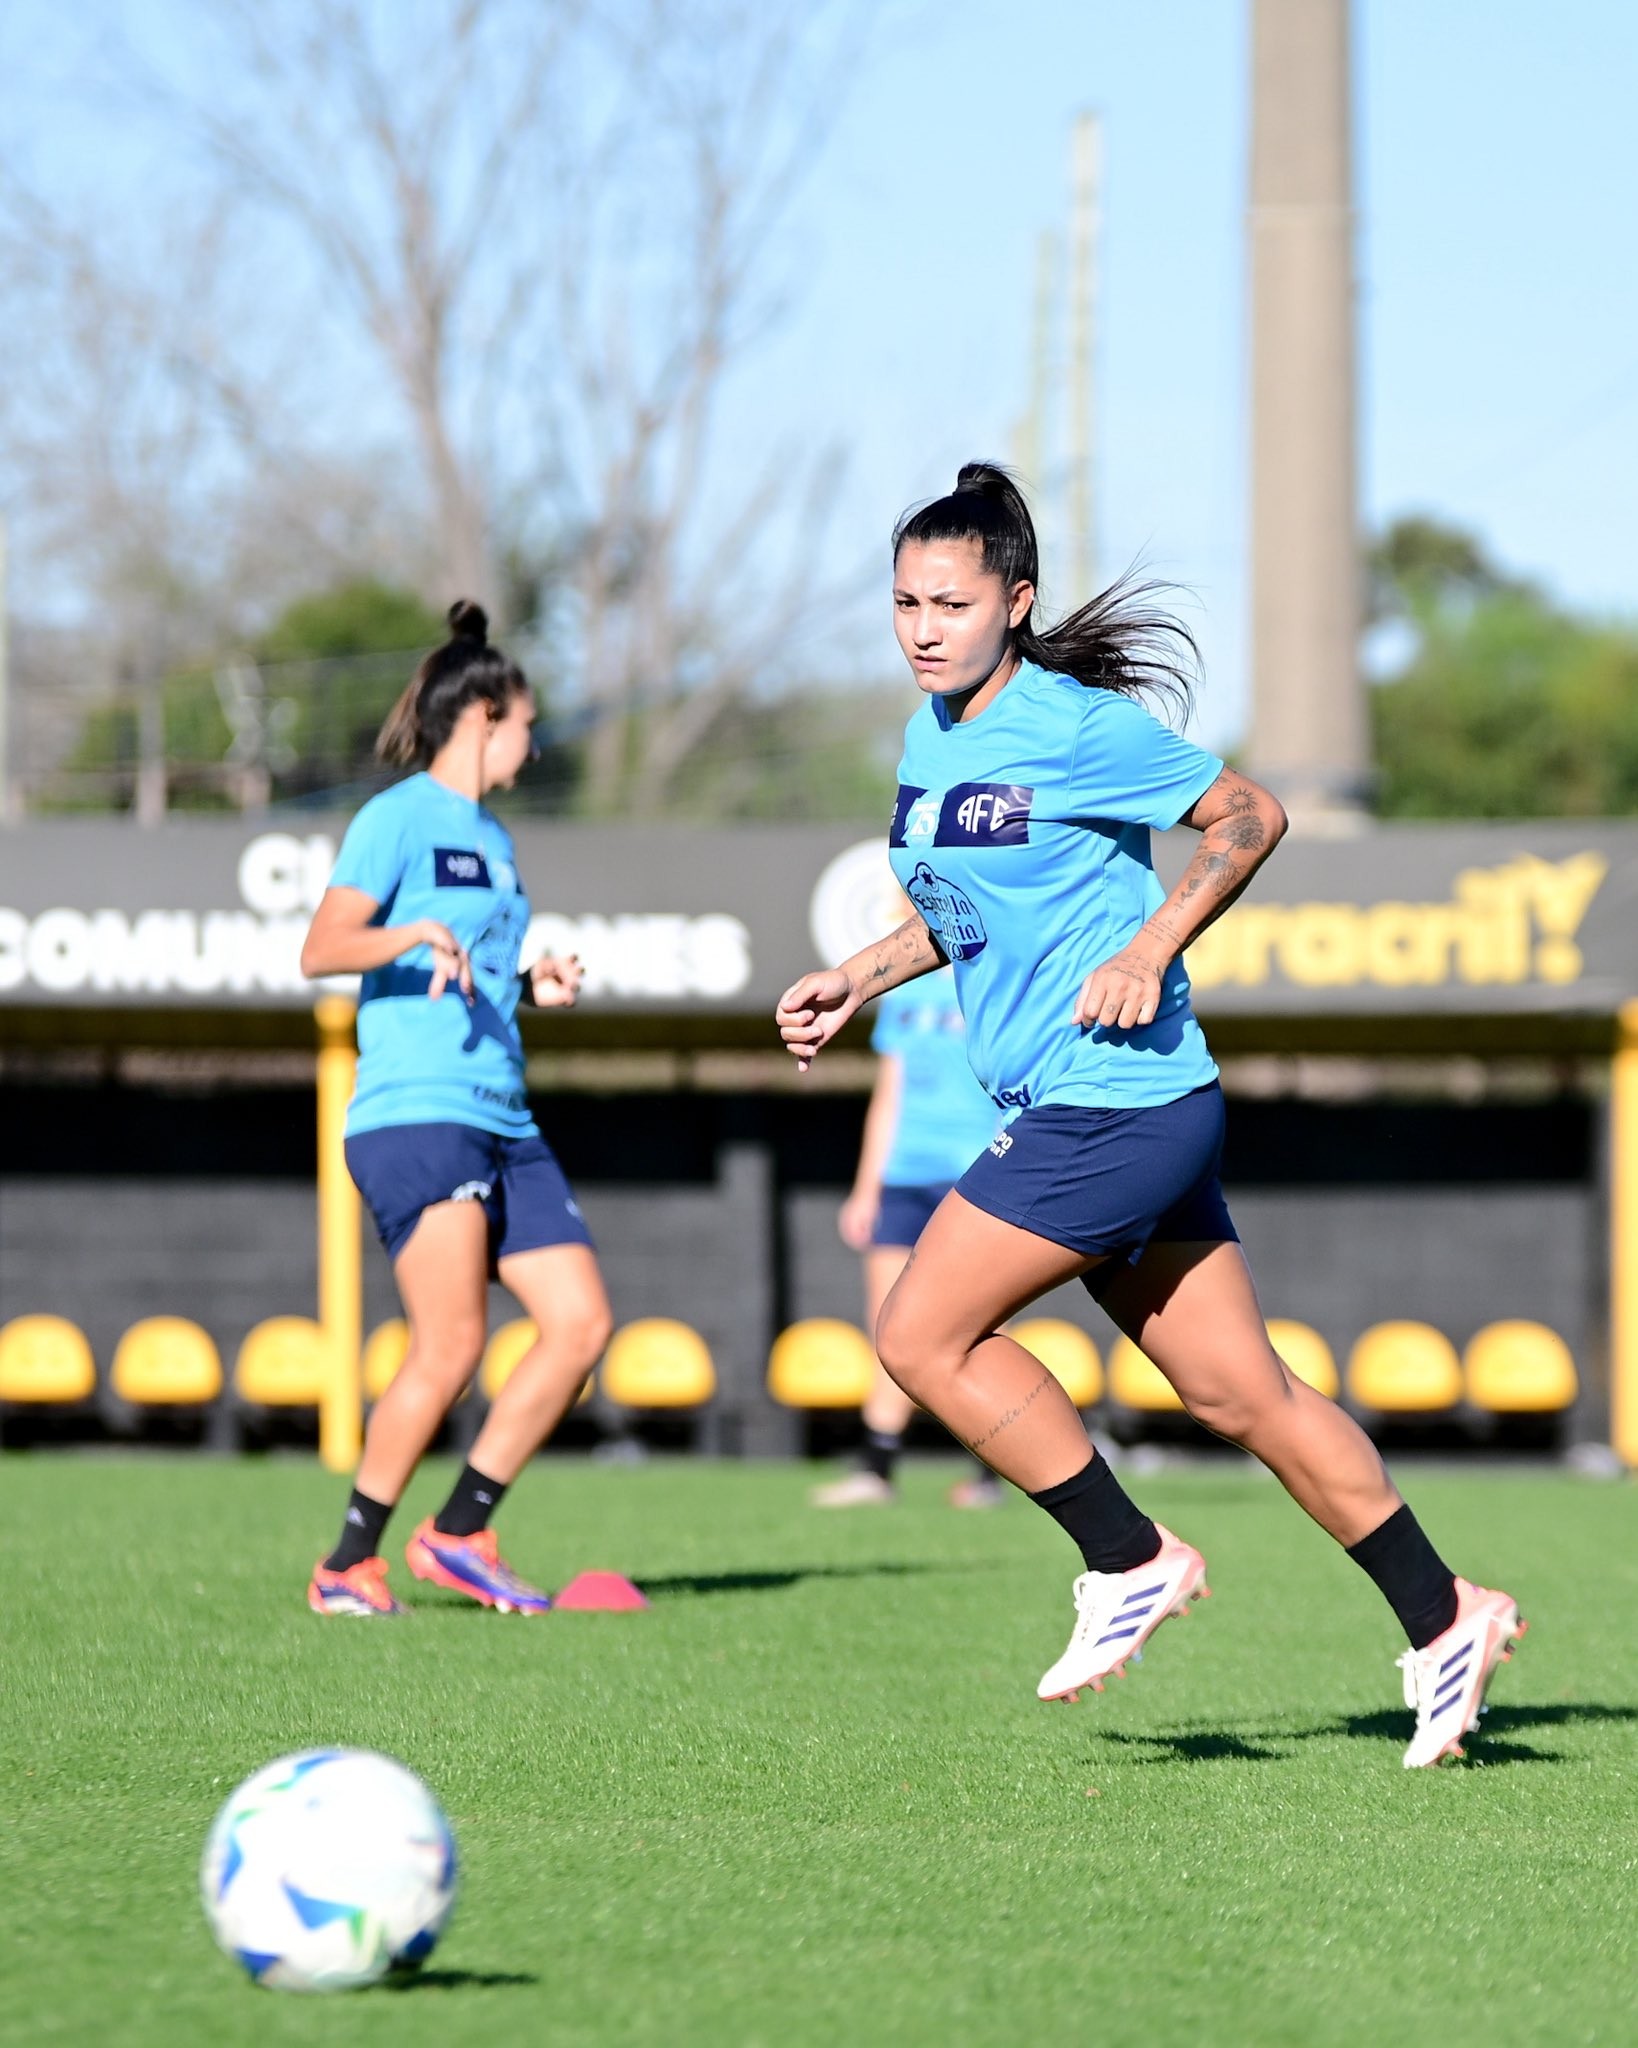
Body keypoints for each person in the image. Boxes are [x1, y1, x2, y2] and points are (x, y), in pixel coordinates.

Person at [776, 464, 1523, 1767]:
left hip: (1111, 1098)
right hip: (1114, 1107)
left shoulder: (1073, 726)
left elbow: (1250, 811)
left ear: (1012, 604)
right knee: (1245, 1396)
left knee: (918, 1333)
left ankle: (1126, 1558)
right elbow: (962, 915)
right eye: (902, 600)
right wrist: (857, 974)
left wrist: (1151, 940)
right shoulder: (925, 740)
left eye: (948, 602)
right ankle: (1443, 1613)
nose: (919, 626)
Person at [300, 601, 613, 1618]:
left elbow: (471, 965)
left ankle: (462, 1531)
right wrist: (408, 933)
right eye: (524, 721)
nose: (532, 739)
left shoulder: (496, 836)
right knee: (450, 1346)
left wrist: (529, 975)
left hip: (503, 1111)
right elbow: (323, 947)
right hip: (416, 1111)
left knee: (578, 1324)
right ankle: (347, 1561)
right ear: (483, 714)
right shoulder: (396, 818)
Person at [812, 959, 1004, 1509]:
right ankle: (877, 1468)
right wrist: (866, 1187)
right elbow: (889, 1094)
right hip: (903, 1175)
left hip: (977, 1169)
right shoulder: (901, 990)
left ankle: (992, 1472)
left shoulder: (995, 973)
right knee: (889, 1324)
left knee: (986, 1325)